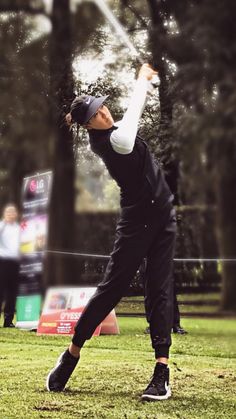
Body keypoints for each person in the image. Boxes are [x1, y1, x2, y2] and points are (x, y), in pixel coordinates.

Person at [46, 63, 177, 401]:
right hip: (137, 223)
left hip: (164, 217)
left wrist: (149, 78)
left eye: (102, 106)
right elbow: (134, 113)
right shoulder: (112, 140)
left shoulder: (116, 128)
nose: (103, 111)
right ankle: (72, 353)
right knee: (112, 288)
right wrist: (142, 80)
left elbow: (128, 120)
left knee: (159, 289)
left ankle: (161, 371)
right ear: (89, 124)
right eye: (96, 113)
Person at [140, 258, 188, 335]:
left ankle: (175, 324)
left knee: (170, 293)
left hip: (163, 262)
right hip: (146, 262)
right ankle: (153, 324)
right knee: (149, 295)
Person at [0, 204, 20, 327]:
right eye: (8, 212)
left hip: (15, 263)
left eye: (13, 213)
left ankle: (8, 320)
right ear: (4, 214)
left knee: (12, 293)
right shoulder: (1, 226)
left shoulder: (19, 228)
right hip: (2, 262)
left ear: (16, 215)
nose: (10, 215)